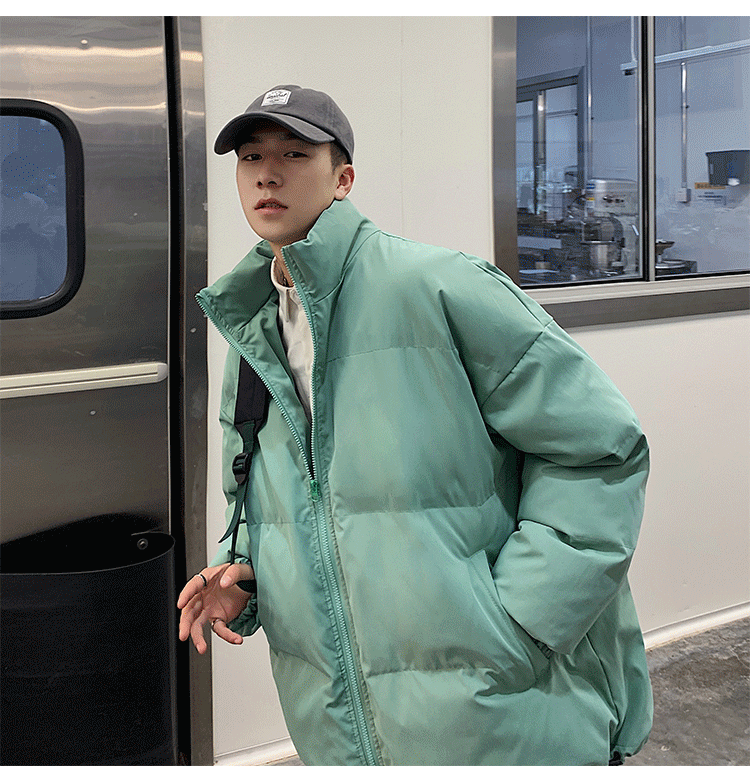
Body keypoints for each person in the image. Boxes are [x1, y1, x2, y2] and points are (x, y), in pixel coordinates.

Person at [178, 85, 652, 766]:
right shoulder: (253, 328)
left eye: (294, 154)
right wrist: (248, 574)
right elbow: (266, 496)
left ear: (343, 178)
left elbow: (600, 449)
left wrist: (522, 618)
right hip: (336, 718)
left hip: (495, 710)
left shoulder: (441, 286)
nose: (267, 174)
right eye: (251, 157)